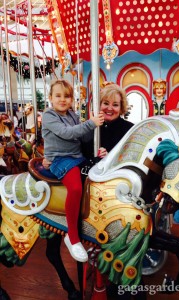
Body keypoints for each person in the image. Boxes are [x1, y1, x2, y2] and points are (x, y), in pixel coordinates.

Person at [41, 79, 104, 262]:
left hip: (77, 157)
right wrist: (91, 123)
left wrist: (97, 142)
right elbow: (67, 133)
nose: (63, 99)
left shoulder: (73, 115)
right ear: (51, 98)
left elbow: (82, 137)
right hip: (60, 159)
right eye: (58, 96)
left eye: (67, 96)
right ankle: (72, 237)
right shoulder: (49, 116)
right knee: (76, 188)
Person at [84, 83, 134, 159]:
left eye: (115, 105)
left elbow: (131, 156)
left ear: (121, 107)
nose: (110, 108)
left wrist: (109, 156)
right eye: (106, 103)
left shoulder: (129, 129)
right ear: (99, 105)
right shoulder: (91, 127)